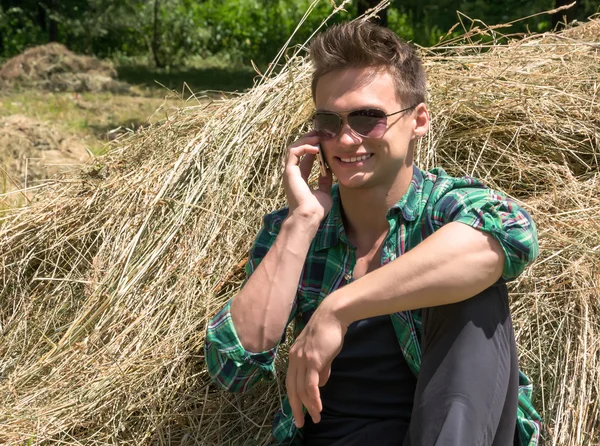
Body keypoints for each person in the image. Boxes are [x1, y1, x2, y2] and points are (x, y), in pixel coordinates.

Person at [205, 20, 542, 446]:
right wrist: (302, 222)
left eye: (369, 118)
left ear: (418, 120)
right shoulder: (298, 229)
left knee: (476, 289)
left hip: (452, 433)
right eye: (329, 121)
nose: (346, 138)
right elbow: (231, 367)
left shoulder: (443, 209)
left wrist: (338, 308)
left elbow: (511, 235)